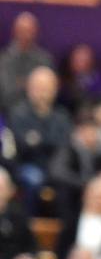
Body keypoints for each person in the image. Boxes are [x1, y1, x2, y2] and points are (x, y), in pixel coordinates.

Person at [8, 66, 71, 212]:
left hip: (56, 168)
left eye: (46, 88)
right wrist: (47, 142)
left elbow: (64, 144)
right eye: (38, 88)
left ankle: (64, 230)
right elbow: (22, 145)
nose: (42, 93)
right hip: (27, 166)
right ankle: (28, 227)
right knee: (33, 179)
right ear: (29, 89)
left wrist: (38, 139)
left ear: (55, 89)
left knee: (69, 182)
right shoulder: (18, 113)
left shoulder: (62, 116)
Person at [0, 12, 53, 113]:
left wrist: (23, 84)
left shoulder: (45, 60)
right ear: (14, 31)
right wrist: (29, 85)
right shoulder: (3, 60)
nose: (26, 35)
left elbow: (49, 92)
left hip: (39, 114)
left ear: (36, 32)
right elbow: (5, 92)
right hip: (7, 112)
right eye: (22, 30)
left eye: (29, 31)